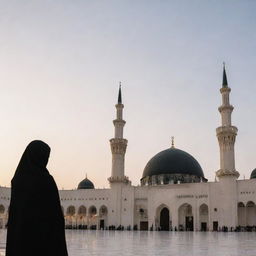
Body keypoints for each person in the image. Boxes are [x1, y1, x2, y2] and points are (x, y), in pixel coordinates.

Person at [6, 140, 68, 256]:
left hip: (20, 240)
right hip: (43, 240)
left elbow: (16, 216)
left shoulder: (17, 180)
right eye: (45, 157)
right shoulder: (46, 180)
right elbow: (56, 217)